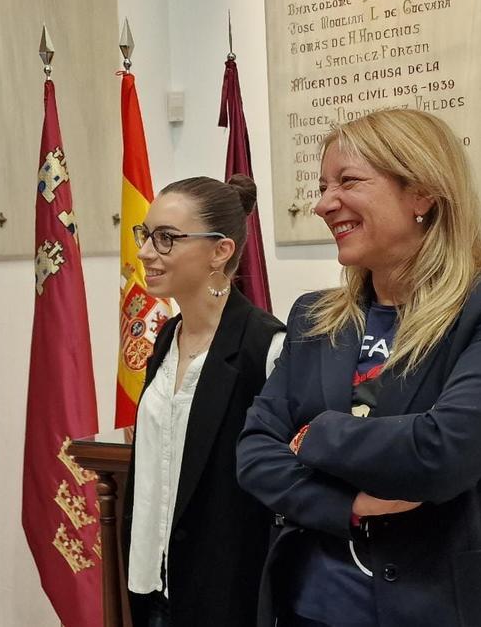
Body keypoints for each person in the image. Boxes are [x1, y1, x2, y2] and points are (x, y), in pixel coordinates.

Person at [236, 109, 481, 627]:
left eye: (347, 181)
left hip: (452, 607)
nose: (323, 204)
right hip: (311, 607)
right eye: (322, 185)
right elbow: (254, 454)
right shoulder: (313, 317)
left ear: (422, 194)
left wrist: (313, 434)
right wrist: (352, 505)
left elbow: (442, 452)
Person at [122, 175, 285, 626]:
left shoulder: (266, 348)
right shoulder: (167, 339)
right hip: (152, 587)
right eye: (146, 234)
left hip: (226, 595)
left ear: (221, 251)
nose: (146, 252)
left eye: (166, 239)